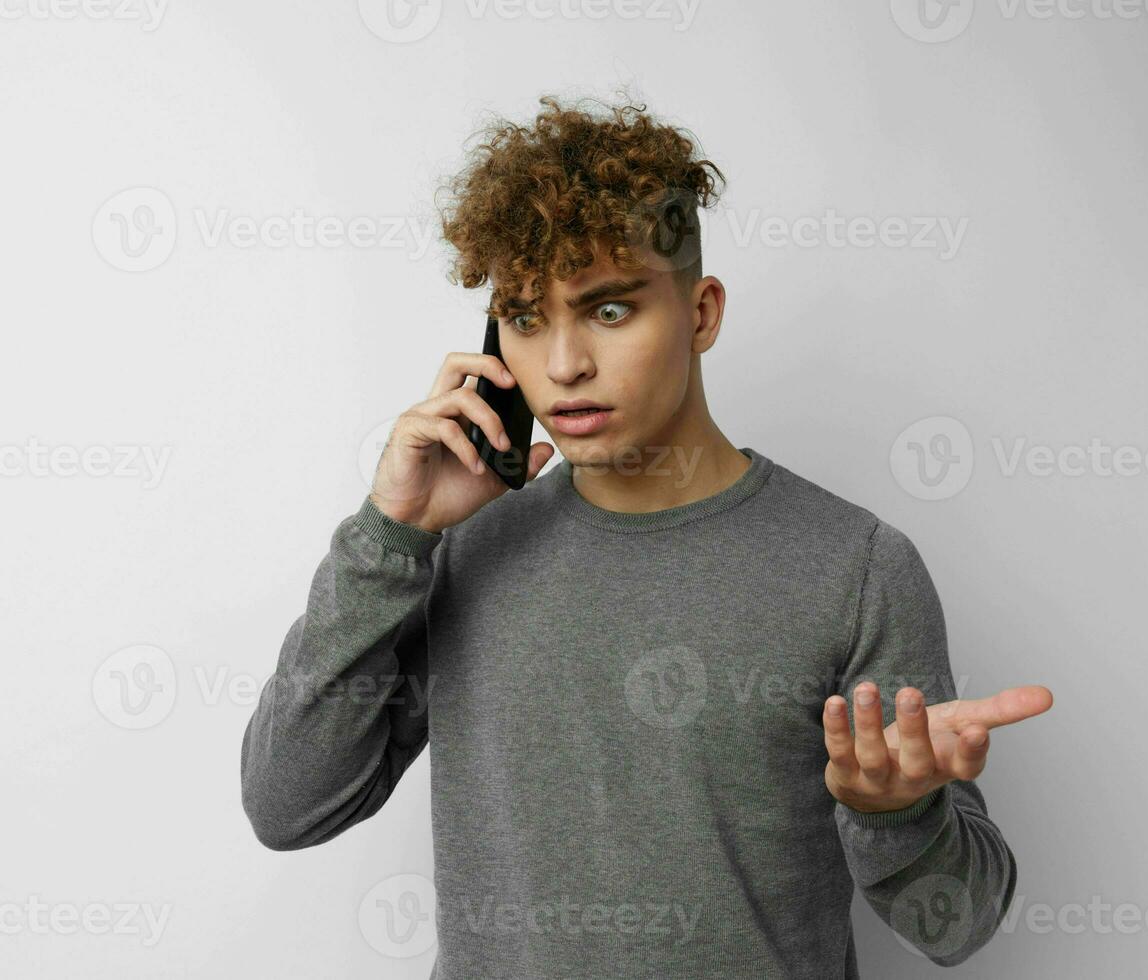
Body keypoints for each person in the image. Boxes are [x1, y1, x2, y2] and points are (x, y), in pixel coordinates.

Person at [239, 93, 1052, 980]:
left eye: (610, 310)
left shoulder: (855, 568)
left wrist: (901, 812)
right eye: (523, 317)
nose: (561, 365)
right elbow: (288, 807)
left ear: (700, 313)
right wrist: (388, 535)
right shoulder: (464, 549)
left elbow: (960, 926)